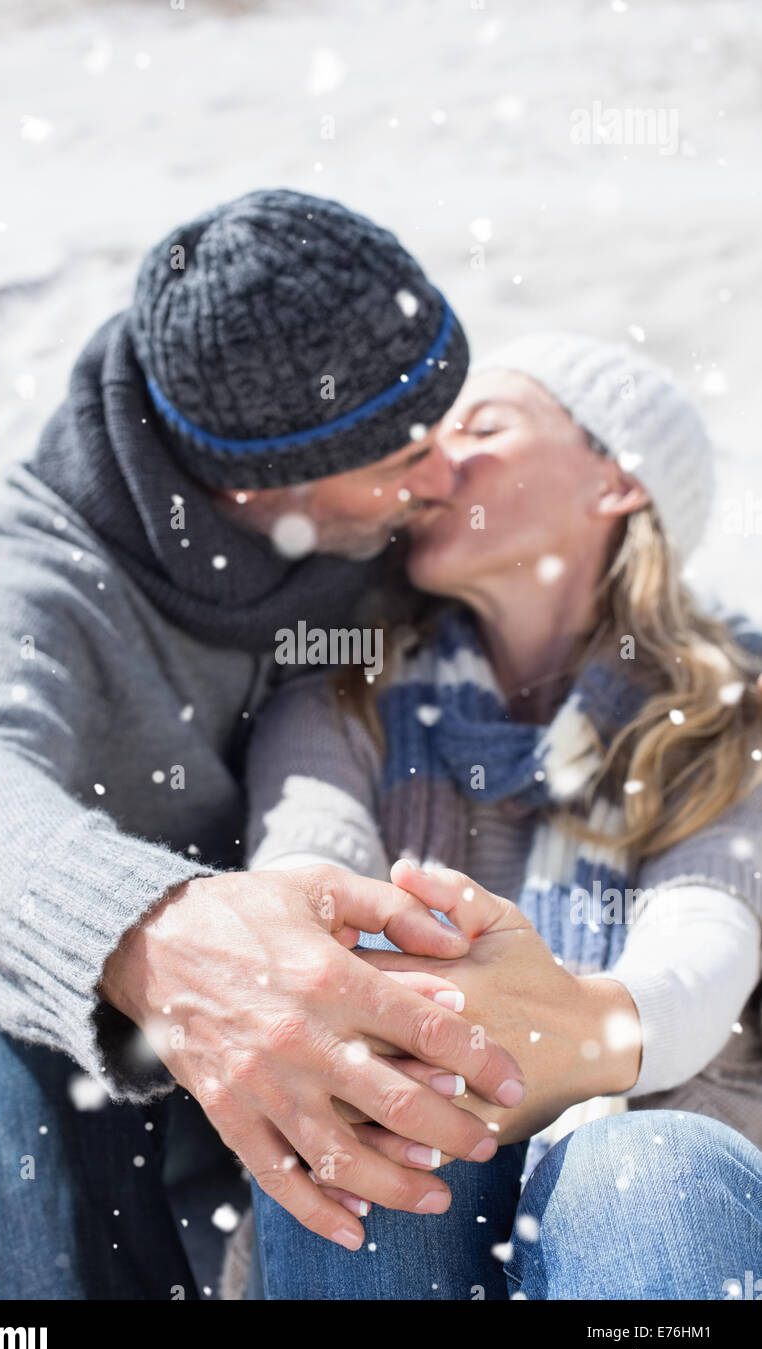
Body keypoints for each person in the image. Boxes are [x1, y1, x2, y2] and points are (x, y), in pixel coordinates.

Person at [0, 189, 530, 1299]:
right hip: (132, 1103)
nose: (440, 481)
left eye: (443, 428)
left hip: (374, 1058)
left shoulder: (396, 533)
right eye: (393, 455)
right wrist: (157, 937)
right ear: (251, 482)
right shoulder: (30, 579)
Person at [244, 332, 762, 1298]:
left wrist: (570, 1033)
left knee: (645, 1169)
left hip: (659, 1221)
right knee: (392, 1127)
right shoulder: (336, 698)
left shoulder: (732, 713)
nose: (437, 463)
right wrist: (450, 1035)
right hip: (401, 1183)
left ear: (616, 483)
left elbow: (705, 948)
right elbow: (295, 901)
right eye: (425, 440)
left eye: (482, 426)